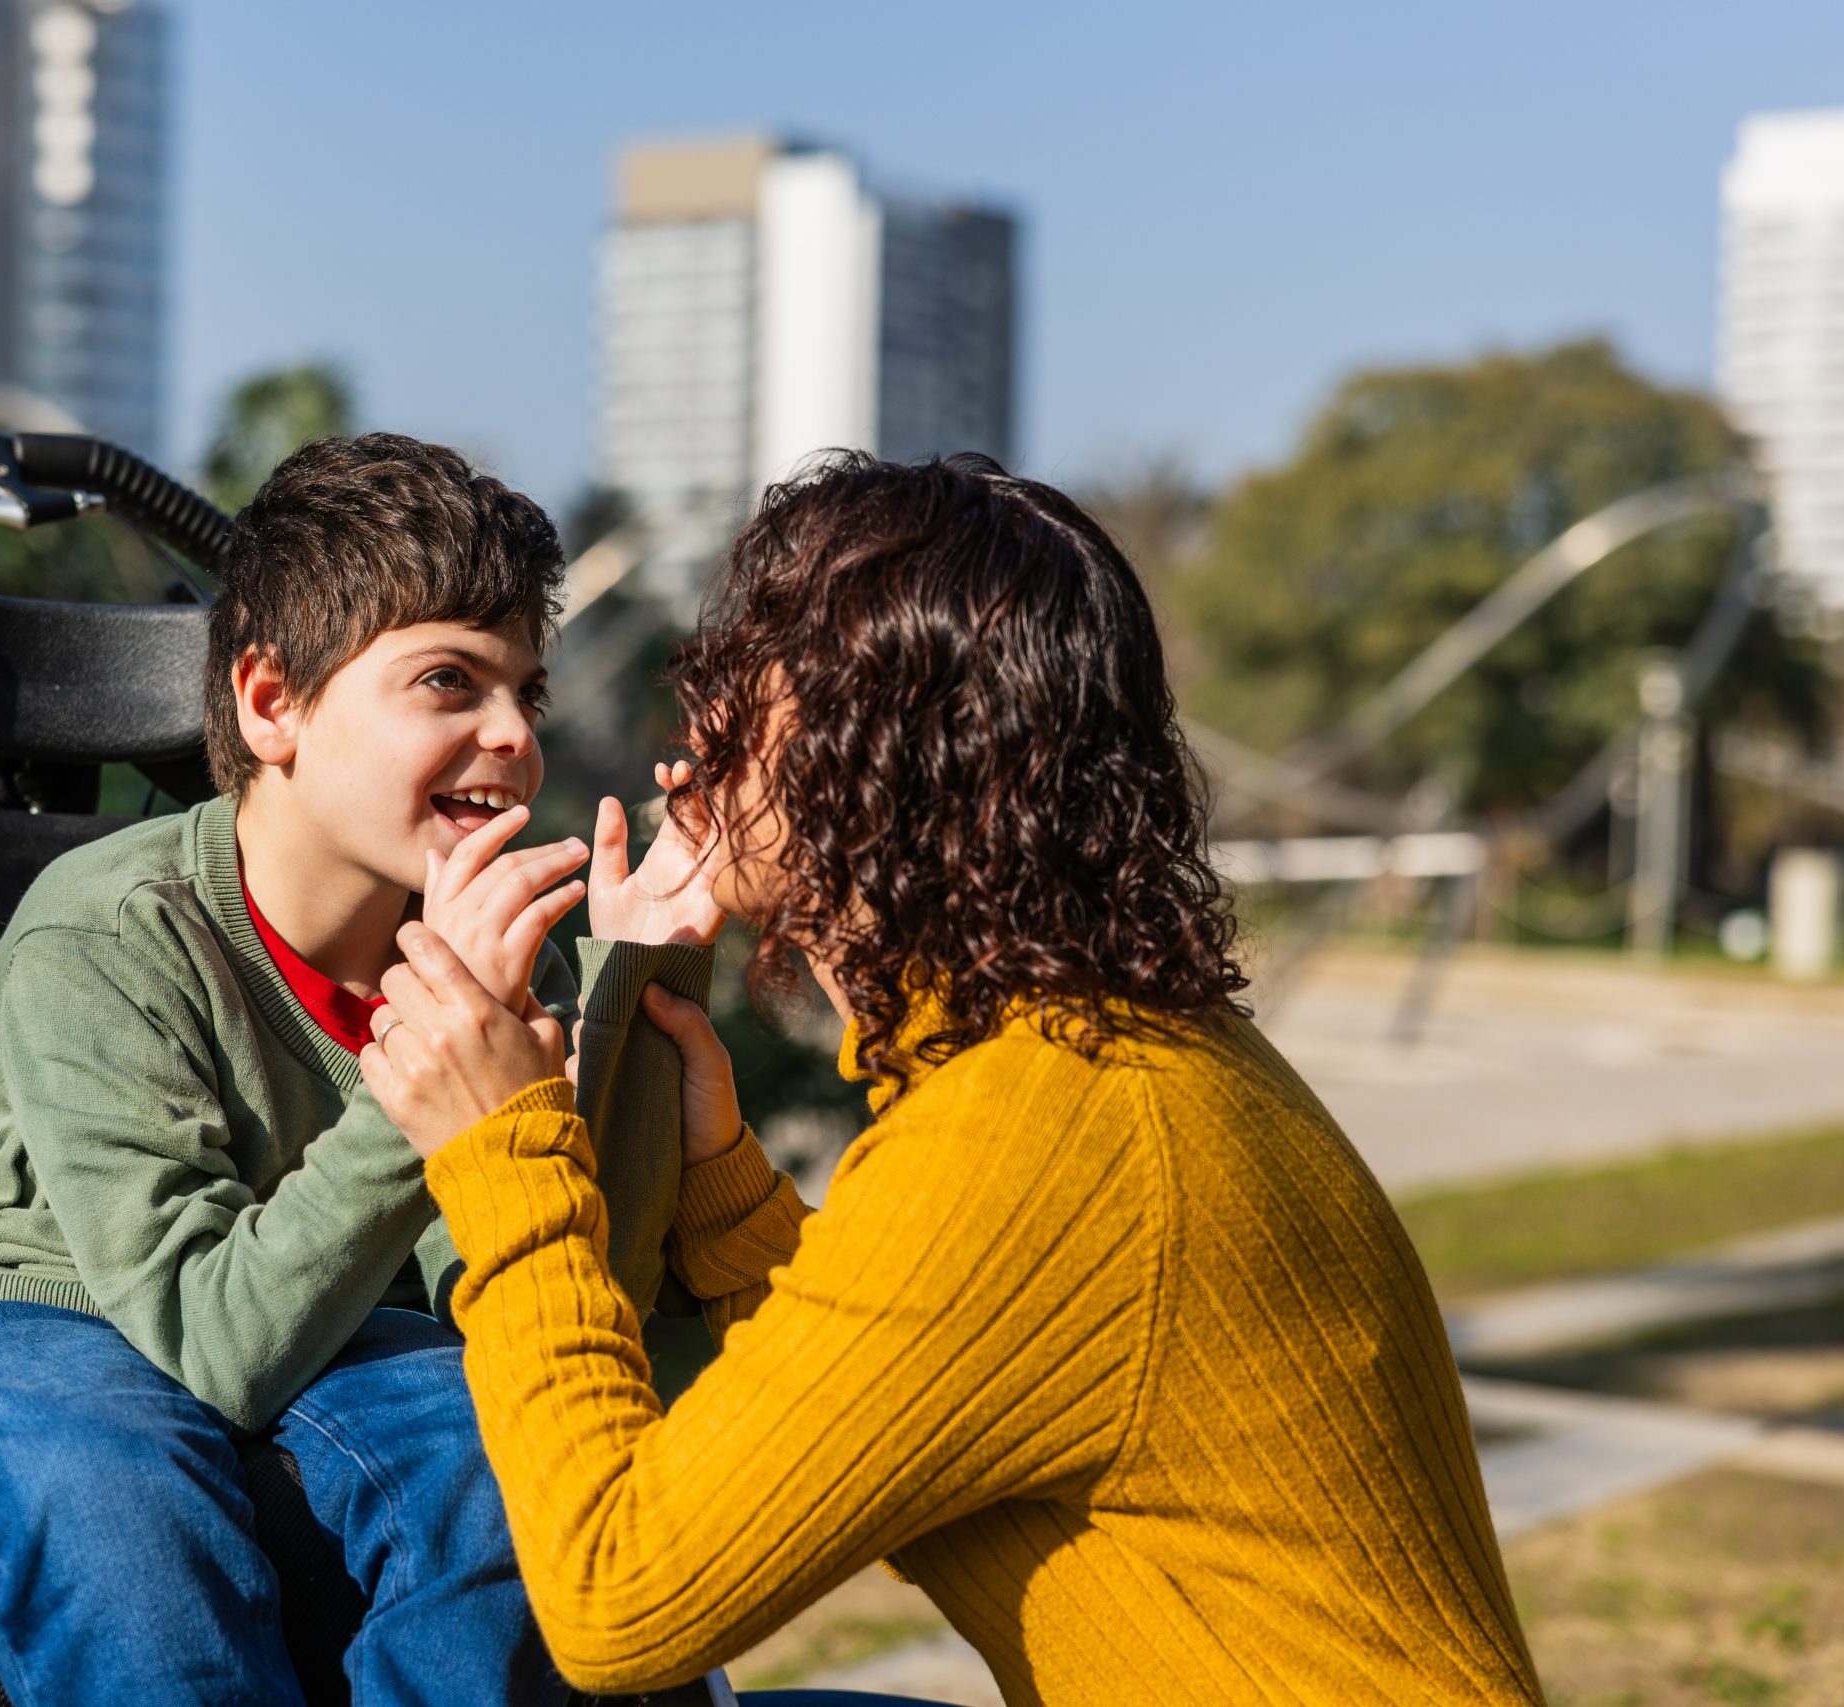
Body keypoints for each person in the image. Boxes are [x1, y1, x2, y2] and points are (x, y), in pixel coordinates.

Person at [358, 453, 1547, 1705]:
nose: (690, 746)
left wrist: (503, 1150)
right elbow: (905, 1389)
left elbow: (618, 1601)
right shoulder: (1108, 1056)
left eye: (732, 703)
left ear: (861, 755)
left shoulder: (1038, 1136)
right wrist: (719, 1186)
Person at [0, 434, 709, 1706]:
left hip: (343, 1329)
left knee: (518, 1469)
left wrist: (644, 980)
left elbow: (587, 1305)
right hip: (43, 1313)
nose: (511, 734)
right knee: (123, 1509)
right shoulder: (108, 934)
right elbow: (219, 1342)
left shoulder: (495, 967)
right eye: (448, 682)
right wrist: (428, 1073)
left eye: (524, 692)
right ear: (271, 703)